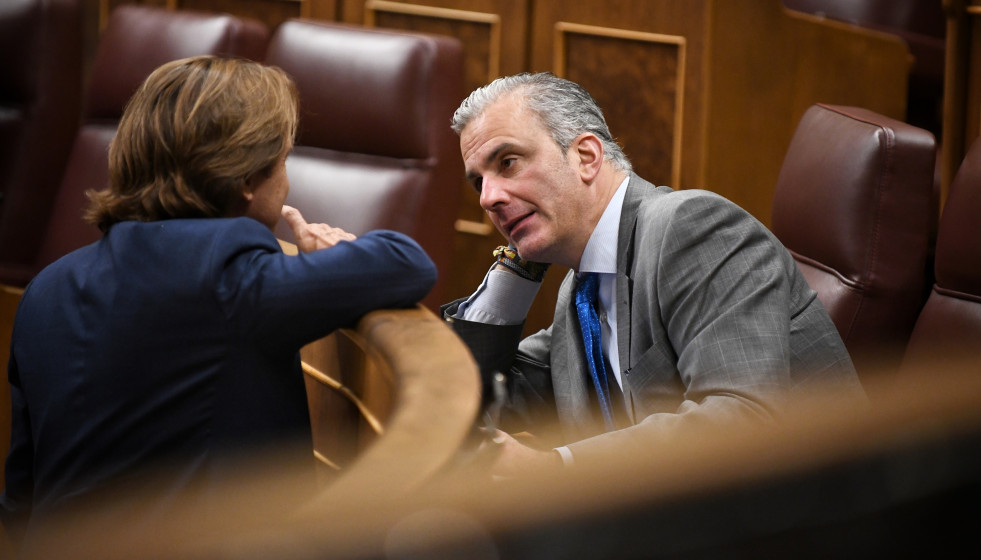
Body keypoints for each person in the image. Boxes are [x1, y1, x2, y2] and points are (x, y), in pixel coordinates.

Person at [1, 56, 436, 540]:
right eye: (283, 160)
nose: (286, 179)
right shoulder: (227, 273)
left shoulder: (48, 288)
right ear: (248, 180)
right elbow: (406, 262)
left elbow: (22, 496)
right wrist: (326, 255)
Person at [443, 72, 865, 476]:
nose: (488, 198)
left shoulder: (693, 227)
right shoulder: (582, 289)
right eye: (477, 182)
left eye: (509, 162)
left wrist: (558, 467)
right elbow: (475, 401)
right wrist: (517, 267)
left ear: (586, 156)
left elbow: (743, 419)